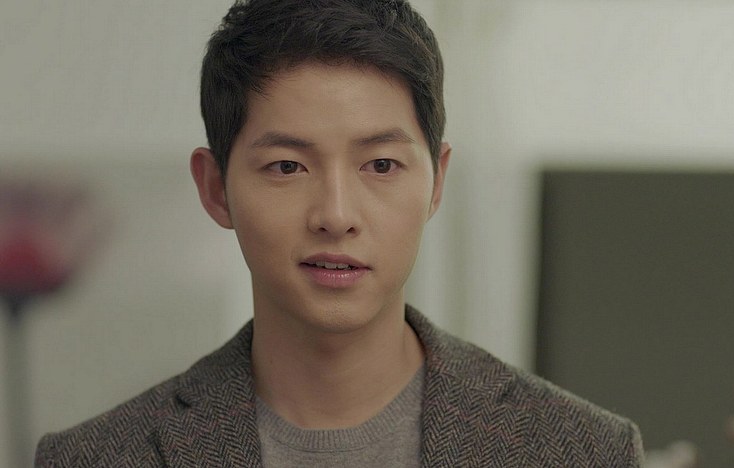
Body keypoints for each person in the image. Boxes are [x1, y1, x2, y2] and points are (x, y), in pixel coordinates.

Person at [35, 0, 643, 466]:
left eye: (381, 165)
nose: (335, 214)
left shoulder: (583, 451)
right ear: (216, 189)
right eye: (287, 167)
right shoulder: (97, 458)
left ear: (436, 182)